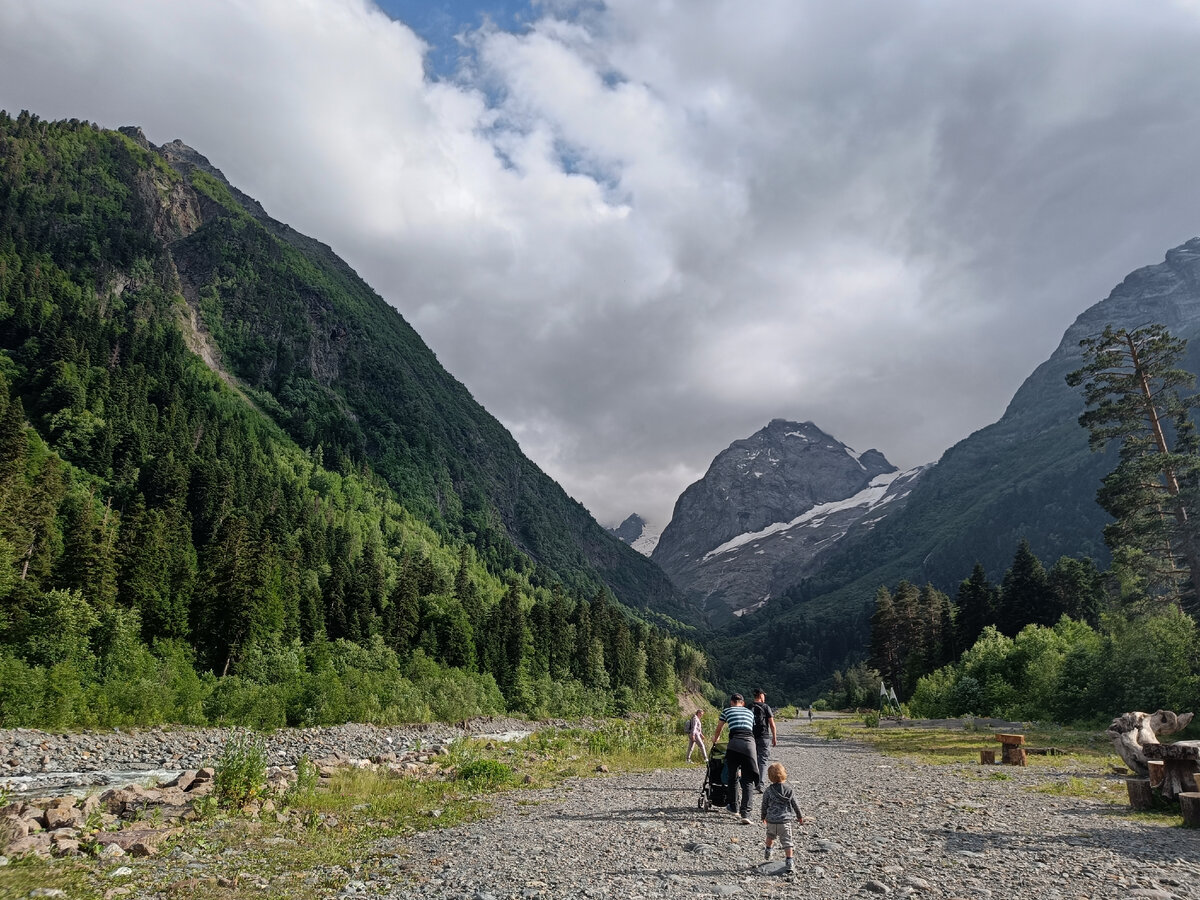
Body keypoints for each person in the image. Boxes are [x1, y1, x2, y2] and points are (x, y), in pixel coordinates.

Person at [711, 693, 758, 824]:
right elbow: (750, 729)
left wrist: (715, 739)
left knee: (732, 777)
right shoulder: (749, 712)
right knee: (748, 780)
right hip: (749, 745)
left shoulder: (727, 711)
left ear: (731, 702)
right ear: (742, 703)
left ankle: (734, 807)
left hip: (734, 745)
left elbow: (719, 728)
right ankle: (746, 814)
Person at [760, 761, 804, 875]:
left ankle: (768, 850)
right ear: (784, 774)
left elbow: (764, 804)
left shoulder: (768, 791)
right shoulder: (789, 790)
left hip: (771, 820)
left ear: (770, 777)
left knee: (770, 836)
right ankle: (789, 861)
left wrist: (763, 816)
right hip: (785, 821)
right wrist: (800, 816)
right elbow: (795, 805)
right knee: (787, 842)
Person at [750, 689, 777, 791]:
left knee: (753, 760)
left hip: (751, 737)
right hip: (764, 737)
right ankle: (760, 784)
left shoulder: (749, 706)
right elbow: (772, 724)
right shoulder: (765, 707)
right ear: (761, 695)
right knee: (763, 760)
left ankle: (751, 782)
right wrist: (774, 737)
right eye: (764, 695)